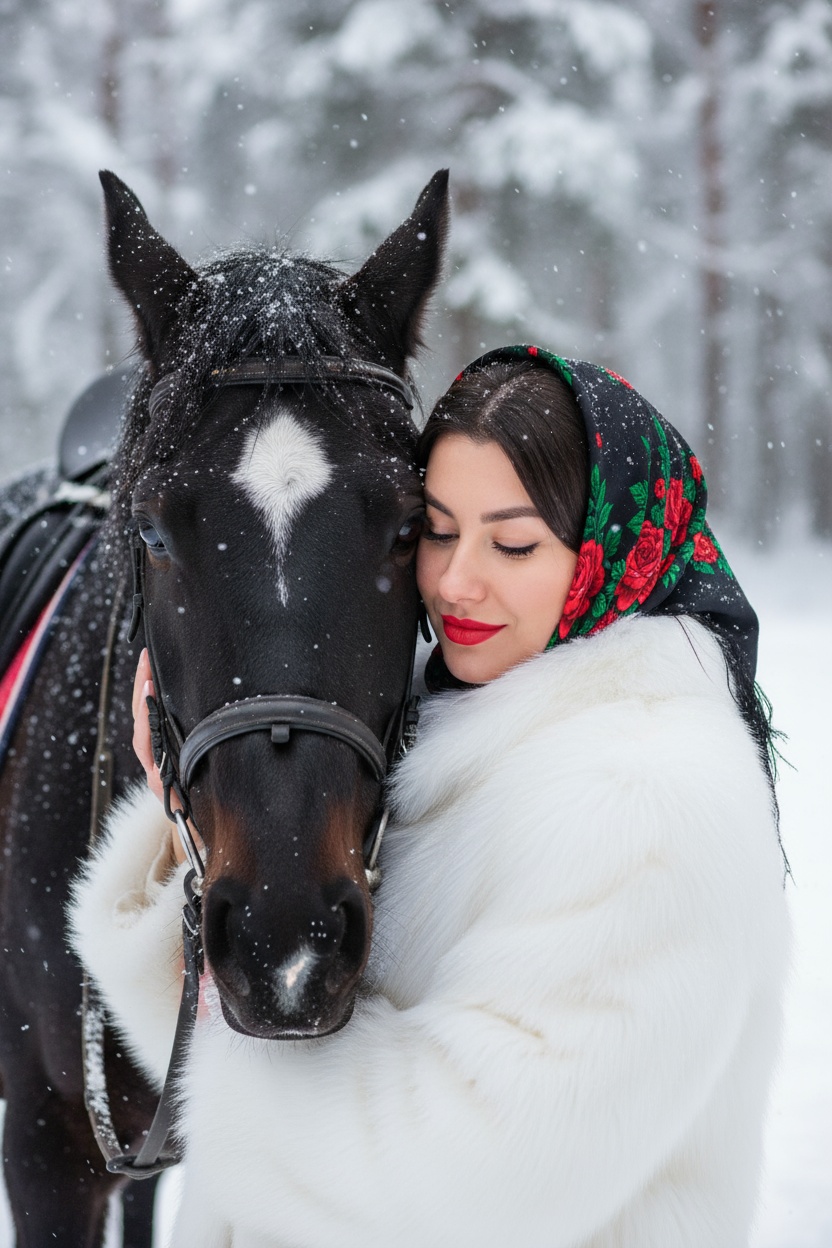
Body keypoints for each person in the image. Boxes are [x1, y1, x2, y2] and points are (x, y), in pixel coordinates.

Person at [70, 346, 790, 1248]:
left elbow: (473, 1179)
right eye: (437, 533)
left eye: (514, 543)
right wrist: (195, 822)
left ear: (611, 556)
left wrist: (240, 1069)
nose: (456, 582)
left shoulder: (651, 802)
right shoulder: (430, 730)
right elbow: (262, 1032)